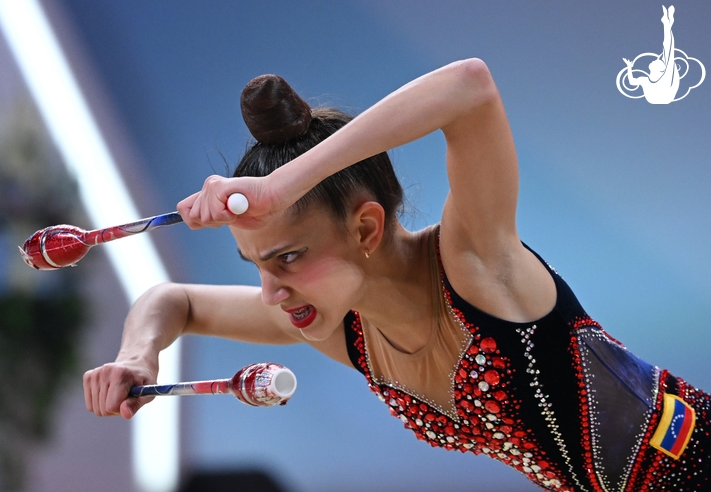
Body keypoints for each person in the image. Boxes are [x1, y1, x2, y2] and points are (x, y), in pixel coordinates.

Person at [83, 58, 710, 491]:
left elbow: (470, 88)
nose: (272, 293)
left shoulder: (472, 266)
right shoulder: (340, 330)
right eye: (257, 267)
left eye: (289, 258)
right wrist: (138, 356)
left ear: (364, 229)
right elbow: (175, 302)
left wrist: (283, 186)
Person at [623, 5, 680, 104]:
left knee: (668, 50)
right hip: (659, 97)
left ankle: (667, 23)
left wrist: (667, 25)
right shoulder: (645, 80)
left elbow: (669, 49)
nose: (655, 59)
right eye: (658, 60)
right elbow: (632, 82)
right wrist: (629, 67)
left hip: (664, 95)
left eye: (658, 61)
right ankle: (667, 23)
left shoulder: (664, 77)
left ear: (660, 69)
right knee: (667, 51)